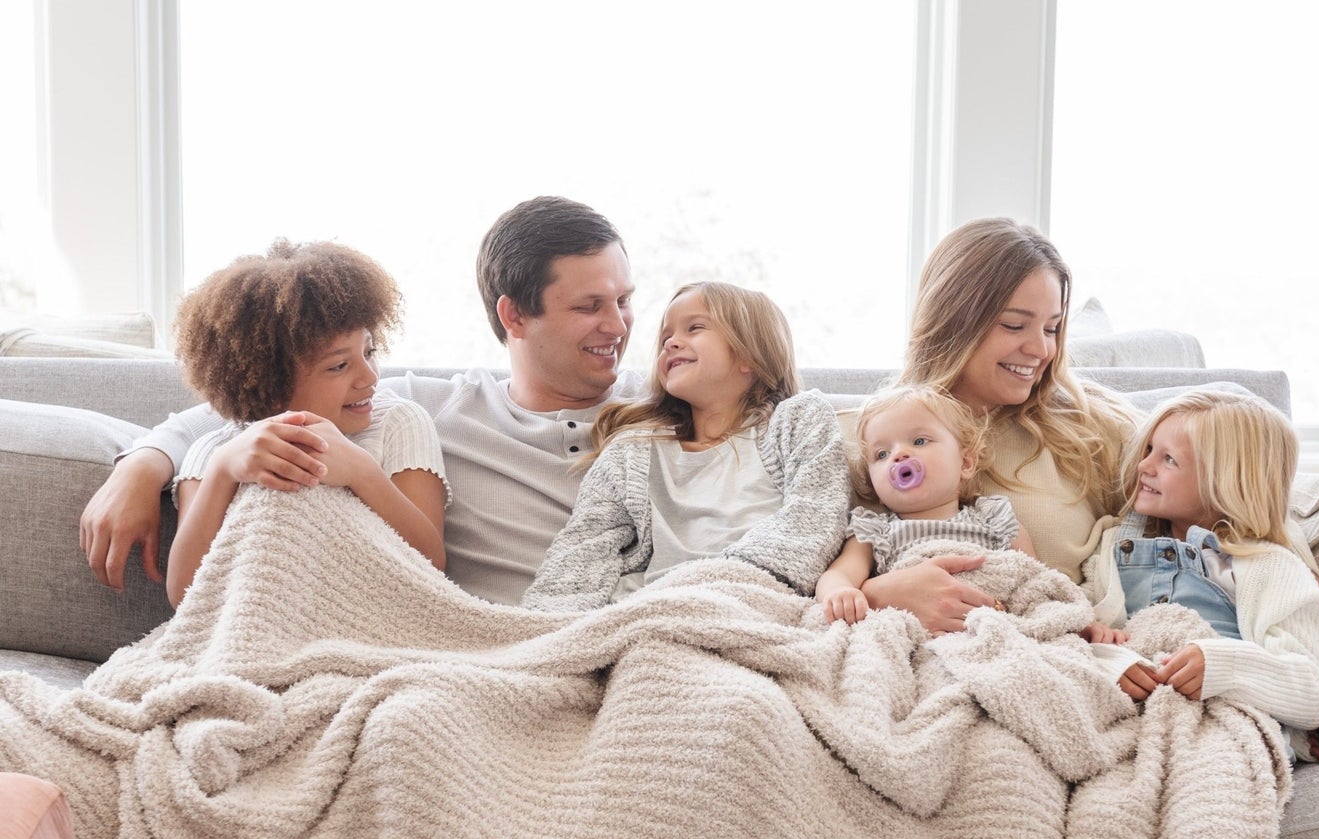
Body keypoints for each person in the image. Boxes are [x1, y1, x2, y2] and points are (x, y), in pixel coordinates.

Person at [872, 216, 1319, 767]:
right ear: (956, 318)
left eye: (1053, 327)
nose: (1038, 349)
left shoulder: (1091, 427)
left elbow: (1256, 523)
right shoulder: (881, 436)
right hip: (947, 658)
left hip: (1076, 662)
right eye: (1016, 324)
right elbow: (817, 573)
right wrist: (882, 594)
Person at [79, 197, 645, 608]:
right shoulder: (430, 405)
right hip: (476, 646)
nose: (618, 325)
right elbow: (250, 413)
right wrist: (141, 464)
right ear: (514, 315)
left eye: (624, 299)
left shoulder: (666, 404)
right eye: (590, 305)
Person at [523, 282, 847, 611]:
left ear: (749, 354)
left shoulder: (798, 422)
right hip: (649, 609)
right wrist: (548, 625)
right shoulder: (632, 451)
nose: (672, 344)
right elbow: (584, 547)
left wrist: (729, 585)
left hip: (753, 600)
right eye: (666, 339)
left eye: (694, 328)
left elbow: (816, 518)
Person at [165, 240, 448, 606]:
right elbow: (185, 597)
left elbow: (432, 568)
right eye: (339, 366)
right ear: (270, 382)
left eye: (369, 351)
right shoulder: (215, 453)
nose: (370, 378)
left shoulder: (397, 424)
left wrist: (362, 472)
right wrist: (221, 474)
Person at [1078, 389, 1319, 755]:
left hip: (1222, 733)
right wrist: (1108, 655)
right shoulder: (1115, 547)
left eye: (1168, 460)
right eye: (1148, 449)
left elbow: (1311, 692)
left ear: (1226, 480)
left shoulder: (1270, 567)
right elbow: (1082, 634)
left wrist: (1222, 666)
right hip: (1122, 723)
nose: (1143, 466)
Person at [815, 384, 1032, 625]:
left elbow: (1033, 579)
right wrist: (839, 593)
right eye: (882, 454)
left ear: (966, 463)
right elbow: (839, 574)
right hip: (914, 630)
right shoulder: (874, 531)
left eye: (919, 441)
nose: (898, 455)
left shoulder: (995, 520)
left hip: (991, 624)